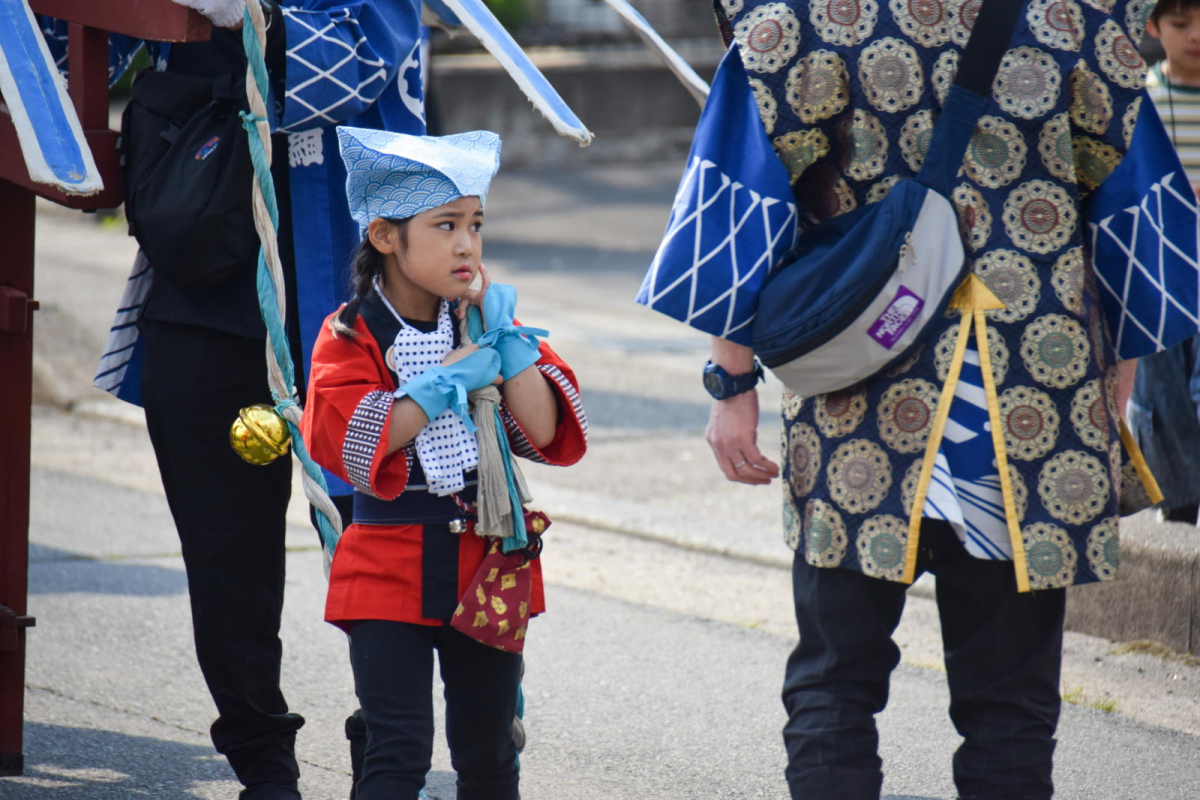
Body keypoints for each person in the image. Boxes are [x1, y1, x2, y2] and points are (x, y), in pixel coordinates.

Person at [641, 1, 1200, 798]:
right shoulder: (1076, 16)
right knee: (1010, 704)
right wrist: (1118, 369)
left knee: (835, 682)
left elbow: (741, 186)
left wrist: (731, 383)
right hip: (1033, 391)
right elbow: (1132, 203)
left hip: (860, 379)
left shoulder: (802, 17)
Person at [42, 3, 426, 798]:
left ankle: (387, 753)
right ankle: (262, 762)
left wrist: (254, 15)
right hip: (203, 269)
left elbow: (360, 60)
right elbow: (68, 53)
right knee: (224, 555)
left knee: (383, 539)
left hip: (362, 286)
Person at [300, 128, 588, 800]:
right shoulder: (349, 333)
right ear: (385, 237)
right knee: (396, 750)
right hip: (387, 559)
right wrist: (443, 382)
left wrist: (507, 344)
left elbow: (543, 430)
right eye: (446, 225)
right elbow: (355, 442)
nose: (466, 244)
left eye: (476, 225)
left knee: (489, 752)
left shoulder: (483, 324)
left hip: (484, 559)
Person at [1128, 0, 1200, 525]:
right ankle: (1178, 505)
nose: (1195, 36)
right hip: (1157, 272)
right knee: (1162, 394)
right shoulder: (1140, 99)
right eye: (1180, 25)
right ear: (1154, 27)